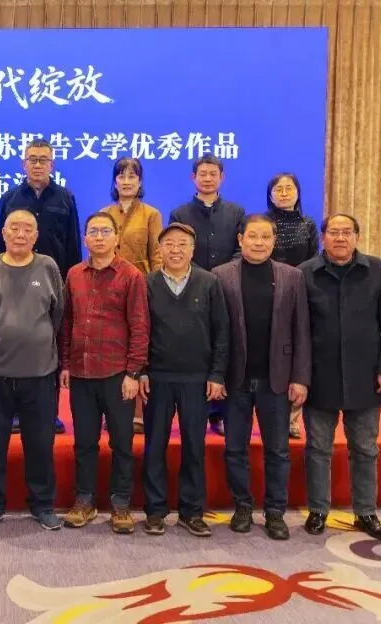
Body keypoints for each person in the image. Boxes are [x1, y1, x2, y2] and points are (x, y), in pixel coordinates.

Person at [299, 214, 381, 541]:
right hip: (320, 375)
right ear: (323, 237)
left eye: (346, 232)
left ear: (357, 237)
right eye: (333, 232)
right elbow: (298, 329)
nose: (340, 238)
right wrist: (300, 375)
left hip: (365, 374)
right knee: (317, 448)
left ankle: (366, 512)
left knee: (365, 448)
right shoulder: (305, 273)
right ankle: (318, 510)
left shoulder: (378, 270)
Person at [212, 213, 310, 541]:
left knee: (278, 450)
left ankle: (275, 511)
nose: (259, 243)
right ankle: (242, 506)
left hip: (276, 379)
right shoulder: (220, 276)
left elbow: (301, 330)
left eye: (266, 237)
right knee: (234, 448)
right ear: (240, 239)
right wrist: (216, 374)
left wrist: (300, 377)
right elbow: (215, 331)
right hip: (235, 378)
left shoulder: (292, 277)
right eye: (252, 236)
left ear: (274, 241)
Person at [0, 209, 65, 532]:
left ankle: (42, 504)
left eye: (28, 229)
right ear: (3, 233)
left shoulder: (48, 267)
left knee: (40, 443)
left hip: (39, 373)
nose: (21, 234)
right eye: (14, 228)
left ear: (36, 236)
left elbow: (58, 314)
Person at [59, 212, 149, 534]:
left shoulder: (131, 275)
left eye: (105, 231)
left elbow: (140, 326)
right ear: (85, 238)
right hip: (82, 372)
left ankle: (121, 503)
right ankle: (84, 500)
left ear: (116, 238)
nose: (99, 237)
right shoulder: (74, 274)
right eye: (93, 231)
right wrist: (65, 363)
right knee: (84, 443)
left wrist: (133, 372)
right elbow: (67, 323)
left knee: (122, 443)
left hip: (117, 375)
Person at [139, 222, 229, 538]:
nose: (175, 250)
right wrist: (141, 370)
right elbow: (140, 330)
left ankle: (192, 511)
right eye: (169, 244)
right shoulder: (147, 283)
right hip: (158, 378)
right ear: (159, 249)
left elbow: (222, 332)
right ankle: (155, 511)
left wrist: (217, 374)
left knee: (194, 446)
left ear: (192, 249)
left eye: (182, 244)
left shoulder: (209, 282)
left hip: (197, 379)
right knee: (154, 445)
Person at [0, 138, 80, 435]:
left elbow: (72, 244)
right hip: (14, 282)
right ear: (24, 163)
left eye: (44, 159)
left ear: (52, 164)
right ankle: (15, 413)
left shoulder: (65, 198)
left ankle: (48, 413)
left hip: (52, 283)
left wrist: (70, 284)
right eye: (33, 159)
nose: (38, 164)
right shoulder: (10, 198)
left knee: (49, 343)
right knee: (16, 342)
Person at [169, 154, 245, 436]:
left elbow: (240, 249)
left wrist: (221, 275)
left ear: (221, 177)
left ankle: (221, 412)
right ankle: (197, 410)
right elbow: (177, 250)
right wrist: (202, 278)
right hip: (192, 288)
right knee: (197, 346)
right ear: (194, 178)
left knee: (225, 343)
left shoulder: (236, 213)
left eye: (213, 174)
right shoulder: (180, 214)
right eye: (203, 173)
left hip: (228, 288)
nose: (208, 178)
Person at [101, 156, 163, 435]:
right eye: (121, 176)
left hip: (142, 285)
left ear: (140, 181)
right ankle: (112, 409)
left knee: (140, 348)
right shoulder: (105, 213)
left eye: (132, 176)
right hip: (109, 286)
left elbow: (157, 255)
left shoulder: (151, 214)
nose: (126, 181)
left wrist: (156, 289)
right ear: (115, 181)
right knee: (113, 346)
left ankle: (139, 410)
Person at [266, 172, 319, 439]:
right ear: (270, 194)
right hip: (268, 293)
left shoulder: (308, 225)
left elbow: (313, 260)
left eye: (289, 188)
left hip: (299, 292)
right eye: (279, 189)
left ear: (298, 193)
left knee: (296, 350)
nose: (284, 193)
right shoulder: (263, 223)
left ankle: (292, 418)